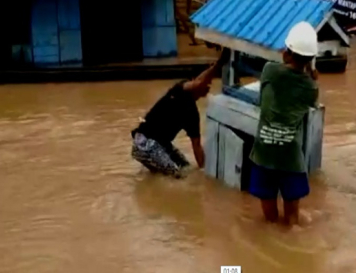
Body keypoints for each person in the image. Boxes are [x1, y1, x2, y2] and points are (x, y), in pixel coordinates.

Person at [248, 21, 320, 226]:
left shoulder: (269, 70)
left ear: (288, 52)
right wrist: (313, 78)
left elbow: (263, 100)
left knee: (268, 220)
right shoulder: (310, 87)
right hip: (290, 157)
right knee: (293, 220)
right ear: (310, 59)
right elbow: (312, 102)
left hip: (264, 153)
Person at [131, 49, 230, 177]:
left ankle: (150, 181)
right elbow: (200, 82)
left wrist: (205, 173)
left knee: (186, 169)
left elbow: (197, 147)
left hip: (161, 144)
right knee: (177, 175)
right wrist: (219, 64)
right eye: (207, 82)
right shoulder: (179, 90)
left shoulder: (193, 114)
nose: (209, 85)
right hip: (144, 142)